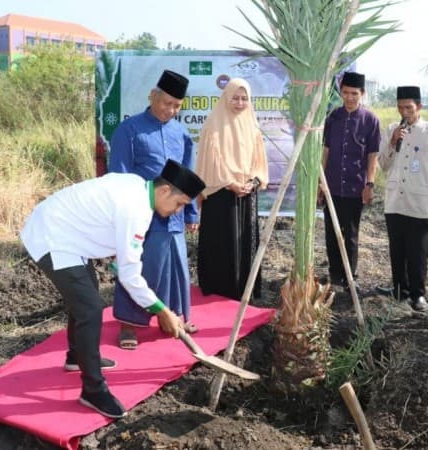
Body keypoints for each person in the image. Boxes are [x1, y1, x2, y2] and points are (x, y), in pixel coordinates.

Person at [20, 160, 204, 419]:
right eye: (180, 203)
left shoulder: (136, 185)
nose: (178, 211)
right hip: (53, 236)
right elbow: (130, 275)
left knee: (88, 293)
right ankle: (93, 390)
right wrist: (161, 310)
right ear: (164, 191)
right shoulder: (137, 210)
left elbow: (119, 252)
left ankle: (77, 356)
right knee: (90, 308)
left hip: (68, 233)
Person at [108, 70, 199, 349]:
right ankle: (129, 325)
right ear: (153, 96)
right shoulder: (130, 130)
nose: (170, 110)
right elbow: (118, 176)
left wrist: (192, 212)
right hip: (140, 216)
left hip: (174, 216)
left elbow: (189, 176)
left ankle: (170, 317)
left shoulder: (182, 134)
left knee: (174, 268)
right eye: (166, 103)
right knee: (139, 267)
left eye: (176, 106)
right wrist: (120, 215)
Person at [195, 78, 269, 300]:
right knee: (222, 241)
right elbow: (211, 161)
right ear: (226, 97)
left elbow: (259, 161)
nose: (239, 103)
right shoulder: (213, 123)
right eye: (235, 98)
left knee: (246, 238)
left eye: (244, 98)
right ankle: (220, 289)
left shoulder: (252, 125)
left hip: (246, 193)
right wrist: (230, 183)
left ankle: (244, 289)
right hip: (220, 194)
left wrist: (253, 181)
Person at [375, 86, 428, 312]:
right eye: (401, 108)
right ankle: (398, 288)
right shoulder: (392, 129)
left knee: (418, 251)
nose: (405, 112)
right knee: (397, 248)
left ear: (419, 107)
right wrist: (393, 142)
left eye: (409, 108)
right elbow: (383, 164)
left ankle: (418, 294)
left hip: (420, 201)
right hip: (395, 201)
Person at [320, 71, 381, 289]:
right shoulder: (333, 118)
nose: (350, 98)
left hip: (356, 186)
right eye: (346, 93)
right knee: (331, 232)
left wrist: (369, 183)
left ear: (362, 94)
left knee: (351, 234)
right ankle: (335, 276)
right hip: (333, 185)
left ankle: (350, 277)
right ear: (341, 93)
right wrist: (321, 183)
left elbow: (372, 155)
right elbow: (325, 151)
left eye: (354, 94)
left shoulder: (370, 120)